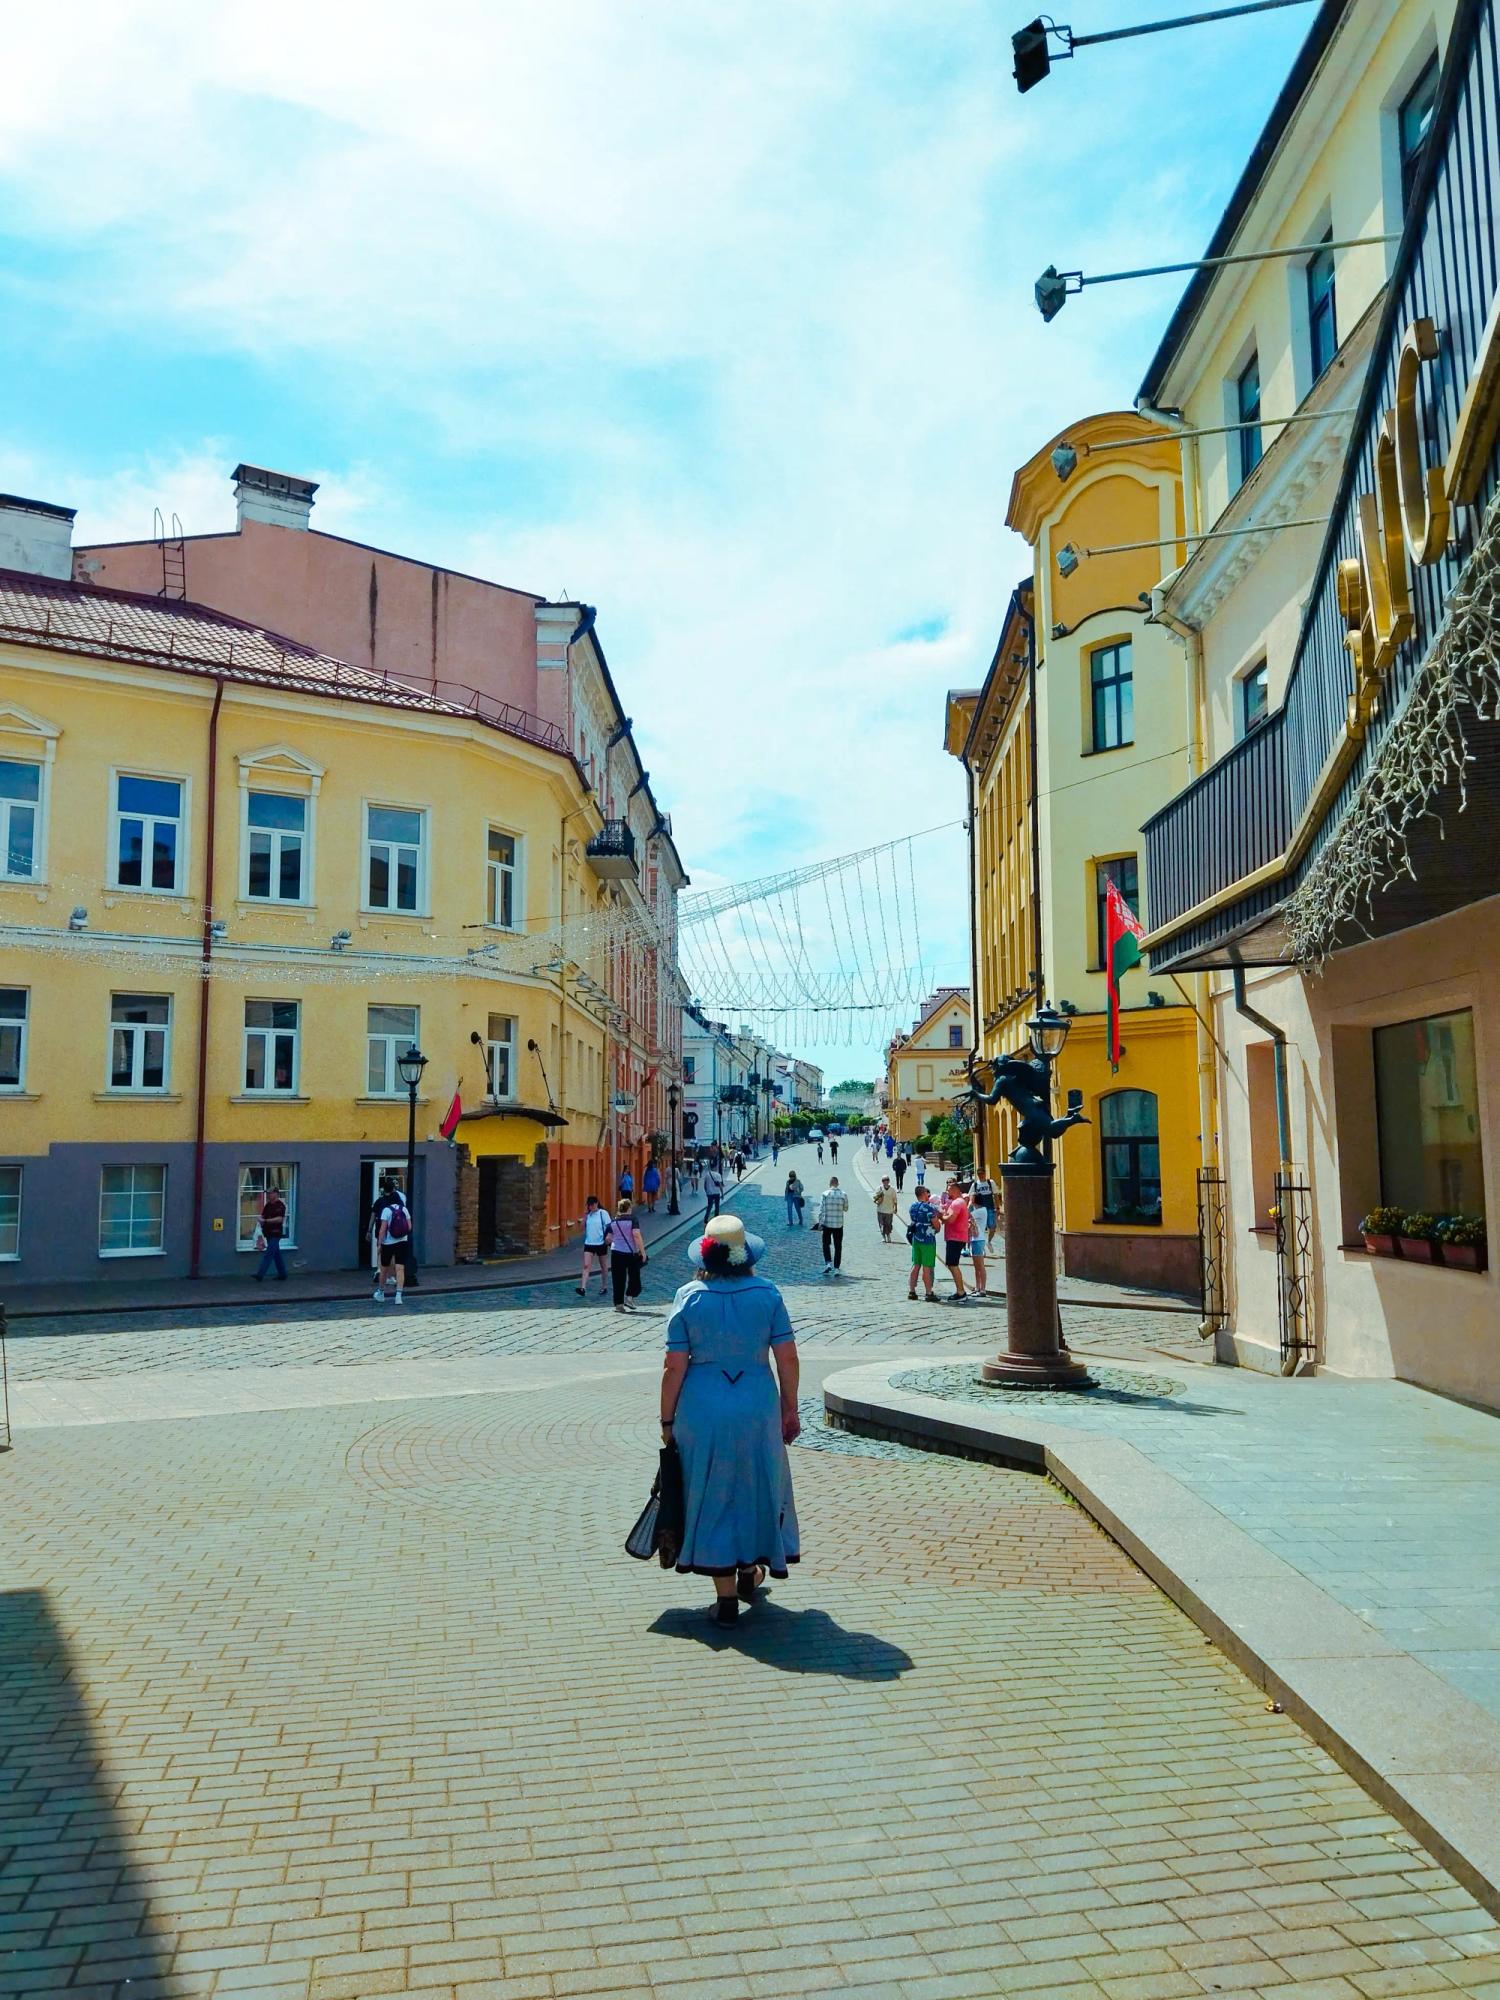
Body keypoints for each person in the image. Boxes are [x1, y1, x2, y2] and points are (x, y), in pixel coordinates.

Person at [659, 1214, 801, 1627]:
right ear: (746, 1256)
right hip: (756, 1403)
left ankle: (724, 1599)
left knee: (711, 1490)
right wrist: (789, 1407)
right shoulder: (768, 1293)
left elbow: (673, 1366)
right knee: (757, 1485)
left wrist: (667, 1420)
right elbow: (787, 1357)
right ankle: (750, 1570)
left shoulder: (689, 1296)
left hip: (701, 1408)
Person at [376, 1185, 412, 1304]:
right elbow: (409, 1227)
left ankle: (381, 1293)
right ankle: (398, 1296)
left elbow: (382, 1229)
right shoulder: (404, 1209)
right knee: (400, 1269)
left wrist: (379, 1244)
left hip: (388, 1243)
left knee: (384, 1269)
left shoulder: (386, 1210)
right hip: (402, 1242)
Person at [609, 1199, 646, 1313]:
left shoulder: (613, 1221)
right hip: (630, 1253)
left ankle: (618, 1304)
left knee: (618, 1279)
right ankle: (629, 1298)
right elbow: (636, 1235)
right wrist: (642, 1251)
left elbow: (608, 1238)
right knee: (634, 1276)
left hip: (616, 1252)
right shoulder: (633, 1220)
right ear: (629, 1208)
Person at [938, 1179, 973, 1302]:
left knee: (953, 1264)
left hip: (955, 1238)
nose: (947, 1192)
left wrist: (940, 1215)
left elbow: (951, 1219)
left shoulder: (957, 1203)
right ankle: (960, 1290)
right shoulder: (957, 1202)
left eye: (948, 1189)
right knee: (952, 1264)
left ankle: (961, 1292)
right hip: (956, 1237)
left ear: (955, 1190)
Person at [906, 1185, 941, 1302]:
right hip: (927, 1240)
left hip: (916, 1239)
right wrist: (938, 1227)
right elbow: (937, 1225)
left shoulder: (912, 1207)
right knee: (927, 1266)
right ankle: (928, 1292)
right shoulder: (928, 1209)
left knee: (915, 1264)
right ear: (924, 1193)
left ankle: (912, 1291)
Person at [576, 1194, 610, 1299]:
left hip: (601, 1243)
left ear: (596, 1204)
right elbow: (581, 1229)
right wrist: (585, 1217)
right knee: (586, 1266)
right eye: (588, 1205)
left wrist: (608, 1237)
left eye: (591, 1205)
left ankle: (604, 1286)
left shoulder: (602, 1213)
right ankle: (583, 1288)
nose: (589, 1207)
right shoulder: (589, 1215)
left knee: (603, 1265)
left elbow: (609, 1226)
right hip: (589, 1243)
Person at [253, 1183, 289, 1281]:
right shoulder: (268, 1205)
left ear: (276, 1194)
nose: (269, 1195)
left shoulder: (280, 1205)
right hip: (268, 1233)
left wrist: (266, 1221)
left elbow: (280, 1219)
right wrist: (260, 1219)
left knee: (269, 1253)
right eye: (268, 1193)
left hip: (276, 1233)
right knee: (276, 1254)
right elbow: (263, 1215)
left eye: (271, 1193)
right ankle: (283, 1274)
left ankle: (260, 1274)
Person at [814, 1176, 848, 1275]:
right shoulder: (843, 1194)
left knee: (826, 1244)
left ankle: (828, 1263)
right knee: (838, 1246)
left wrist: (820, 1223)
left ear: (830, 1184)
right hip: (838, 1223)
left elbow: (822, 1210)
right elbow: (846, 1208)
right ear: (838, 1184)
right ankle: (837, 1268)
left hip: (827, 1224)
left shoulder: (825, 1194)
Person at [971, 1168, 998, 1250]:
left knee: (992, 1228)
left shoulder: (990, 1183)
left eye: (982, 1173)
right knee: (980, 1229)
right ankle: (981, 1248)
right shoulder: (975, 1185)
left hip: (990, 1208)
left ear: (985, 1173)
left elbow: (996, 1195)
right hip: (979, 1209)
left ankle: (989, 1241)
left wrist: (997, 1207)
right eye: (978, 1173)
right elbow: (971, 1197)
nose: (980, 1175)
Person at [873, 1176, 898, 1244]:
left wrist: (895, 1208)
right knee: (882, 1224)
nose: (885, 1181)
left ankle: (888, 1235)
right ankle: (883, 1237)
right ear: (882, 1181)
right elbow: (874, 1198)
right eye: (884, 1180)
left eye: (887, 1180)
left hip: (889, 1210)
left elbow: (895, 1199)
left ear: (889, 1181)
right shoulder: (879, 1188)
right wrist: (878, 1199)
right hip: (880, 1210)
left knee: (888, 1224)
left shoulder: (892, 1189)